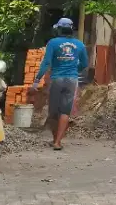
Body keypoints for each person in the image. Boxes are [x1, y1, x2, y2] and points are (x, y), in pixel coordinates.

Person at [32, 17, 88, 150]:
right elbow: (85, 64)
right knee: (65, 111)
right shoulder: (80, 45)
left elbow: (46, 63)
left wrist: (37, 80)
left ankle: (54, 138)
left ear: (59, 29)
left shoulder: (53, 43)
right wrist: (75, 70)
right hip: (72, 80)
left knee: (53, 112)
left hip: (57, 79)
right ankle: (58, 142)